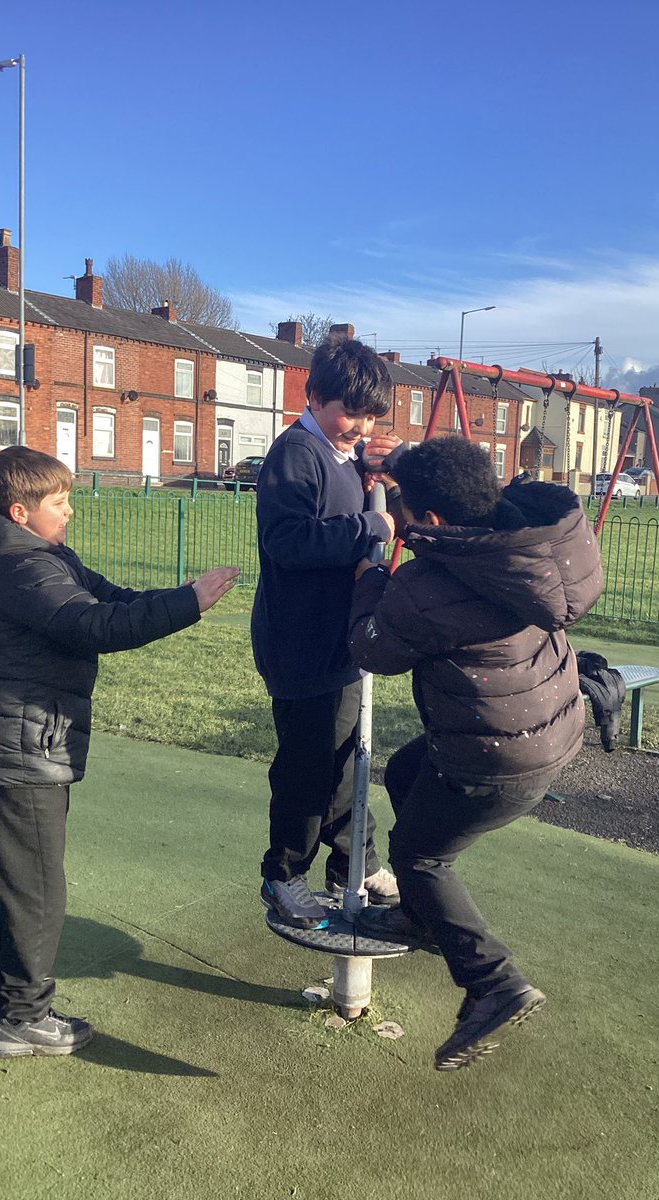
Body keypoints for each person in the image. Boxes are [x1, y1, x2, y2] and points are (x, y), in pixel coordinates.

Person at [0, 446, 238, 1058]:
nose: (70, 511)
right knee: (34, 887)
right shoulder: (26, 568)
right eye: (60, 502)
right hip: (26, 749)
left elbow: (113, 599)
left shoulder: (44, 557)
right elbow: (94, 626)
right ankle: (21, 1016)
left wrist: (179, 593)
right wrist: (192, 604)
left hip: (13, 744)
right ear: (20, 512)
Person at [348, 436, 603, 1070]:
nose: (401, 514)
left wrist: (370, 581)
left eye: (407, 506)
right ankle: (419, 918)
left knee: (420, 856)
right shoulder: (527, 547)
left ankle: (493, 984)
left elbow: (372, 648)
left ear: (433, 519)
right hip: (550, 726)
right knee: (406, 771)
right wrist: (397, 464)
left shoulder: (429, 586)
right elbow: (450, 488)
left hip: (496, 760)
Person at [251, 334, 404, 928]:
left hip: (342, 639)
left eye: (371, 417)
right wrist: (372, 524)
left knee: (347, 757)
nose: (361, 427)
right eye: (350, 412)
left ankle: (354, 863)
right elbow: (287, 541)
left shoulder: (345, 457)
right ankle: (283, 873)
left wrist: (375, 472)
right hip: (300, 643)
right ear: (314, 395)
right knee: (308, 766)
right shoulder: (296, 454)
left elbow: (359, 505)